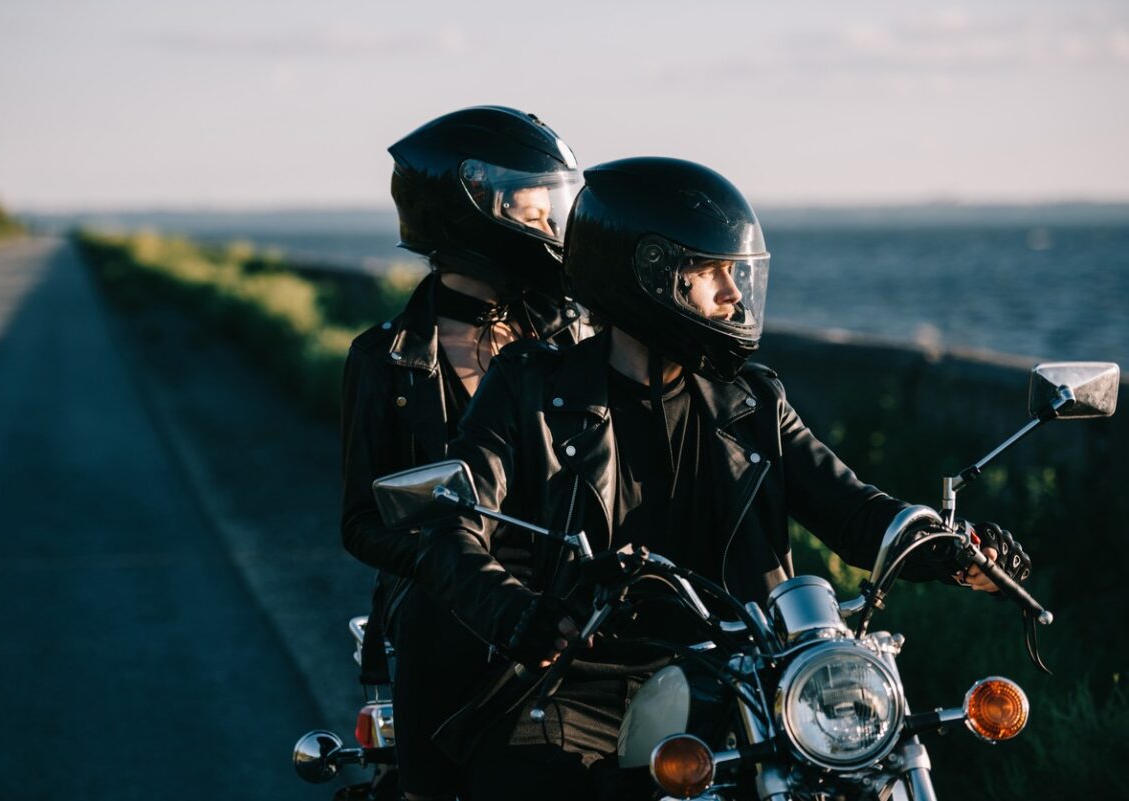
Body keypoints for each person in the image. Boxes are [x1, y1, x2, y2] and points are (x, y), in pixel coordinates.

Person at [412, 157, 1033, 800]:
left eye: (735, 273)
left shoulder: (753, 404)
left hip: (741, 678)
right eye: (711, 273)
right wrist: (517, 614)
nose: (734, 294)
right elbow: (452, 525)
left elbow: (854, 511)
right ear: (647, 275)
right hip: (580, 679)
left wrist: (953, 550)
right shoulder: (529, 389)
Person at [339, 106, 592, 801]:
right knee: (431, 613)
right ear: (473, 209)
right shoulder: (386, 358)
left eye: (554, 207)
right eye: (533, 207)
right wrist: (447, 561)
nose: (550, 223)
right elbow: (360, 519)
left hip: (567, 574)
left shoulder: (573, 340)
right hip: (445, 588)